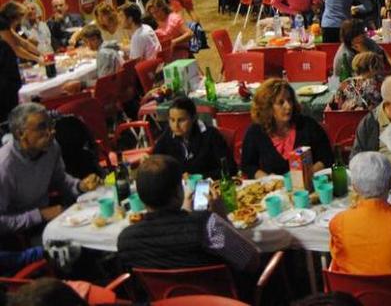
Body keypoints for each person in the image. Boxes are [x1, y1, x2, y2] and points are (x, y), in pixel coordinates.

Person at [116, 155, 260, 272]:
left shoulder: (126, 240)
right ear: (178, 192)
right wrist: (221, 216)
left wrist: (185, 213)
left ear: (140, 197)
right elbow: (250, 261)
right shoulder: (206, 225)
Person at [0, 103, 100, 234]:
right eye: (41, 127)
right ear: (20, 134)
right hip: (20, 235)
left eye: (50, 124)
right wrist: (39, 215)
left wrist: (80, 186)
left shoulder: (51, 147)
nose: (51, 132)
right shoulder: (4, 166)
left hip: (48, 216)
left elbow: (59, 180)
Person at [241, 79, 332, 178]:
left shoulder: (307, 125)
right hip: (273, 190)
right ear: (268, 107)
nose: (288, 106)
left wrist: (307, 174)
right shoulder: (255, 131)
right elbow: (248, 165)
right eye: (281, 102)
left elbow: (327, 158)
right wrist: (268, 180)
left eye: (289, 100)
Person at [153, 97, 234, 179]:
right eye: (172, 120)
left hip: (206, 185)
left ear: (193, 118)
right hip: (179, 186)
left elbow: (231, 169)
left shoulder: (211, 135)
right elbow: (155, 160)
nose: (176, 125)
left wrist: (200, 177)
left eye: (181, 120)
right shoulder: (168, 134)